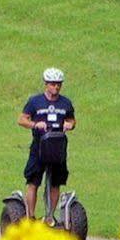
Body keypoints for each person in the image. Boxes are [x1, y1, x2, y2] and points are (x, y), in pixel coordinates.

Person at [17, 67, 76, 223]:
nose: (56, 87)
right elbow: (22, 119)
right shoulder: (35, 101)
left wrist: (69, 125)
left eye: (58, 84)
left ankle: (49, 217)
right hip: (39, 147)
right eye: (52, 84)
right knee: (33, 181)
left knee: (56, 183)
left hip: (57, 147)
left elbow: (71, 120)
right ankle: (31, 217)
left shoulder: (65, 103)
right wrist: (36, 124)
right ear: (46, 84)